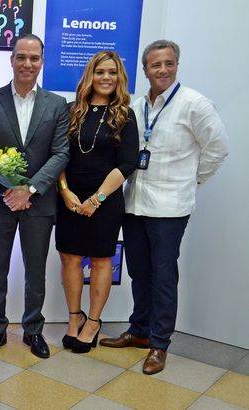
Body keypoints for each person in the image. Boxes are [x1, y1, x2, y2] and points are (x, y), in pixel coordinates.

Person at [99, 40, 229, 374]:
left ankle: (159, 344)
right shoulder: (137, 105)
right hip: (135, 203)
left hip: (170, 208)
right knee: (138, 272)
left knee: (163, 276)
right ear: (145, 70)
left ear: (177, 65)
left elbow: (218, 148)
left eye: (169, 64)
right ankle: (139, 331)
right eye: (156, 65)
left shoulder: (194, 104)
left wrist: (192, 180)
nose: (163, 70)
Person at [0, 34, 70, 359]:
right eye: (21, 57)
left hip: (39, 202)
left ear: (42, 61)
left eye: (34, 58)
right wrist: (6, 191)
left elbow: (60, 153)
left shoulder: (57, 105)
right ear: (11, 59)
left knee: (36, 272)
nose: (27, 64)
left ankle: (33, 332)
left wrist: (28, 189)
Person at [55, 51, 138, 354]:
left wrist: (97, 199)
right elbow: (58, 155)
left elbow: (127, 163)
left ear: (120, 78)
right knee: (70, 258)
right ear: (91, 75)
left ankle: (93, 322)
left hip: (105, 200)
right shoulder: (70, 110)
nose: (106, 78)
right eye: (101, 71)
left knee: (102, 260)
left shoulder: (125, 116)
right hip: (70, 199)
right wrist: (64, 191)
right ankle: (74, 317)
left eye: (112, 73)